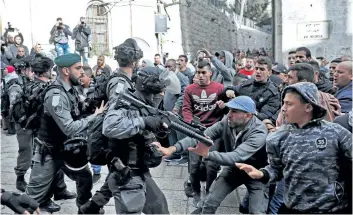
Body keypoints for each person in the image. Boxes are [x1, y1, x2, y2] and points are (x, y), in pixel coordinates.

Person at [236, 82, 352, 214]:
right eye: (284, 103)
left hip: (332, 209)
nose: (283, 109)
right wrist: (262, 173)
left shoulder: (335, 132)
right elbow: (276, 169)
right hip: (294, 208)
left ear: (308, 107)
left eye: (289, 104)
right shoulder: (277, 137)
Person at [156, 96, 269, 214]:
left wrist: (208, 155)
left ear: (248, 115)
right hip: (234, 170)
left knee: (257, 212)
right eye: (229, 110)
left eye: (234, 111)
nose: (229, 114)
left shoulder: (259, 132)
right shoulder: (227, 121)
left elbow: (235, 156)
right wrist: (172, 149)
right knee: (209, 202)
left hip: (256, 174)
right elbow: (201, 136)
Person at [26, 53, 105, 213]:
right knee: (32, 198)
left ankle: (84, 208)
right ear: (66, 71)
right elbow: (69, 127)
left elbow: (77, 110)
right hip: (48, 153)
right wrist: (94, 117)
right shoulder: (56, 95)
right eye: (78, 68)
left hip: (66, 149)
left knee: (84, 177)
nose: (82, 72)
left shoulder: (70, 90)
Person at [102, 66, 169, 214]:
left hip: (140, 168)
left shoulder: (145, 102)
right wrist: (143, 122)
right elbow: (109, 127)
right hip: (126, 172)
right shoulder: (126, 101)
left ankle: (92, 206)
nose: (162, 91)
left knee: (159, 207)